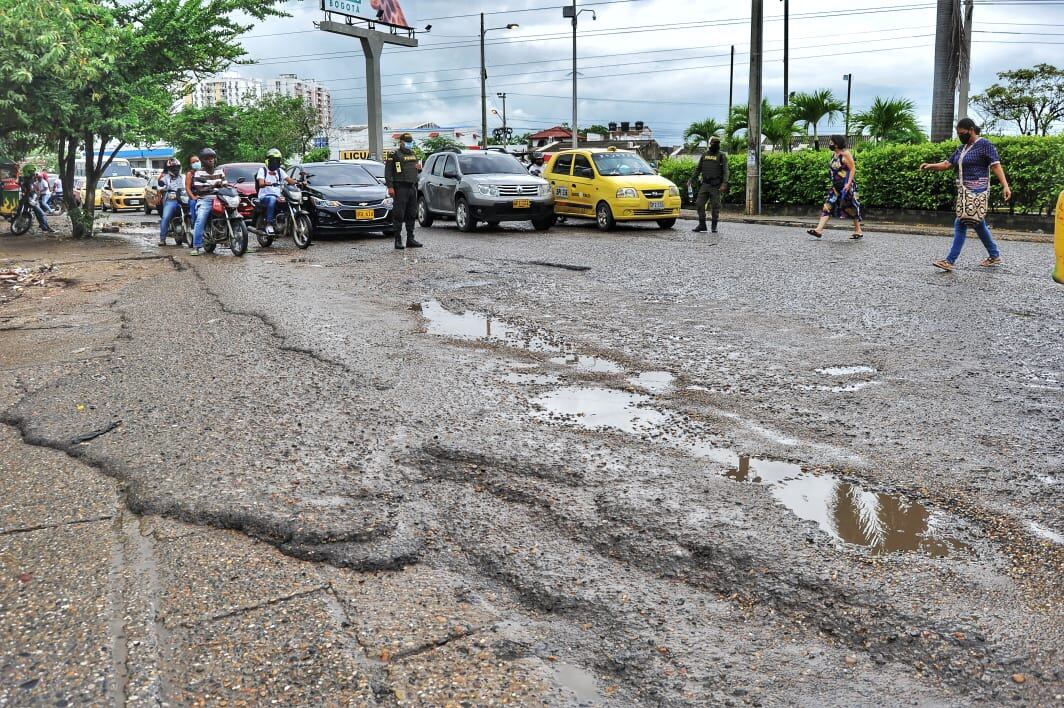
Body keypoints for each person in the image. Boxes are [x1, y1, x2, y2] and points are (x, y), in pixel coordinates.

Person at [920, 118, 1011, 271]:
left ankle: (950, 261)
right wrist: (930, 166)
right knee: (978, 223)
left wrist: (1006, 186)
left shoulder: (984, 145)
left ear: (971, 129)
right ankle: (994, 255)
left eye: (962, 133)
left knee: (961, 222)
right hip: (965, 192)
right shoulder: (962, 149)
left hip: (977, 191)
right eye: (959, 134)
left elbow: (995, 166)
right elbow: (947, 164)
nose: (960, 136)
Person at [807, 135, 863, 240]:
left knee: (851, 208)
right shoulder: (834, 154)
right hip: (835, 187)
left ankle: (858, 230)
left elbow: (852, 169)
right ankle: (819, 230)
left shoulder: (845, 154)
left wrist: (848, 184)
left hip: (847, 186)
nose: (830, 144)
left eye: (832, 142)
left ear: (837, 143)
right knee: (827, 206)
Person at [384, 132, 422, 249]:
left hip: (412, 187)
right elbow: (388, 171)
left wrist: (419, 169)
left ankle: (410, 239)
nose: (409, 144)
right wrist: (390, 187)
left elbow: (416, 170)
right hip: (400, 187)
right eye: (407, 142)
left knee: (412, 213)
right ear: (401, 142)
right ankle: (397, 239)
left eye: (411, 142)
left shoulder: (413, 154)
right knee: (399, 214)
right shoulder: (393, 154)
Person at [189, 148, 227, 256]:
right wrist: (214, 186)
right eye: (207, 159)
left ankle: (241, 242)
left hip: (220, 199)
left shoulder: (220, 171)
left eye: (212, 158)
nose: (210, 160)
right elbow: (199, 189)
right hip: (205, 200)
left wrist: (224, 186)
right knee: (200, 219)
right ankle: (196, 246)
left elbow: (225, 184)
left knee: (234, 213)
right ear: (203, 161)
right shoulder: (199, 173)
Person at [691, 136, 729, 233]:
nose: (716, 145)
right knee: (699, 204)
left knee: (715, 206)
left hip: (716, 185)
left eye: (718, 143)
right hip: (705, 184)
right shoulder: (704, 155)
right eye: (714, 143)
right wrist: (691, 179)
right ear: (710, 144)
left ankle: (714, 226)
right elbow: (698, 169)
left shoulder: (721, 156)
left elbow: (726, 171)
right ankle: (702, 225)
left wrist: (724, 183)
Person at [255, 148, 296, 235]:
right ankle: (269, 223)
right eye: (273, 160)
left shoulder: (279, 171)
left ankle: (290, 221)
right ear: (268, 160)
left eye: (277, 160)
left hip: (278, 196)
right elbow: (261, 183)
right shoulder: (262, 170)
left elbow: (290, 181)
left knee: (290, 200)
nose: (275, 162)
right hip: (264, 196)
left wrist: (299, 182)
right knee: (272, 199)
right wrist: (266, 183)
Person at [18, 164, 55, 233]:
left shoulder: (27, 179)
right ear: (27, 171)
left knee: (25, 214)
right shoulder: (27, 180)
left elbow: (31, 189)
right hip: (30, 200)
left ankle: (20, 227)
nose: (33, 173)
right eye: (31, 171)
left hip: (29, 200)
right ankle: (46, 227)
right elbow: (27, 190)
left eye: (33, 171)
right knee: (41, 214)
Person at [156, 158, 184, 246]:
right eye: (173, 167)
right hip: (171, 200)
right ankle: (162, 239)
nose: (175, 169)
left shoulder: (184, 177)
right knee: (165, 217)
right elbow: (159, 187)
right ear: (169, 168)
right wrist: (164, 188)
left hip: (184, 199)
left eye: (177, 167)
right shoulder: (165, 178)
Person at [185, 155, 201, 221]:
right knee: (193, 204)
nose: (196, 163)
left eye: (197, 161)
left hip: (205, 196)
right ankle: (194, 225)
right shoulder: (190, 174)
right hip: (194, 197)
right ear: (191, 164)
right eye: (193, 162)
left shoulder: (204, 171)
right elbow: (187, 188)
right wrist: (193, 197)